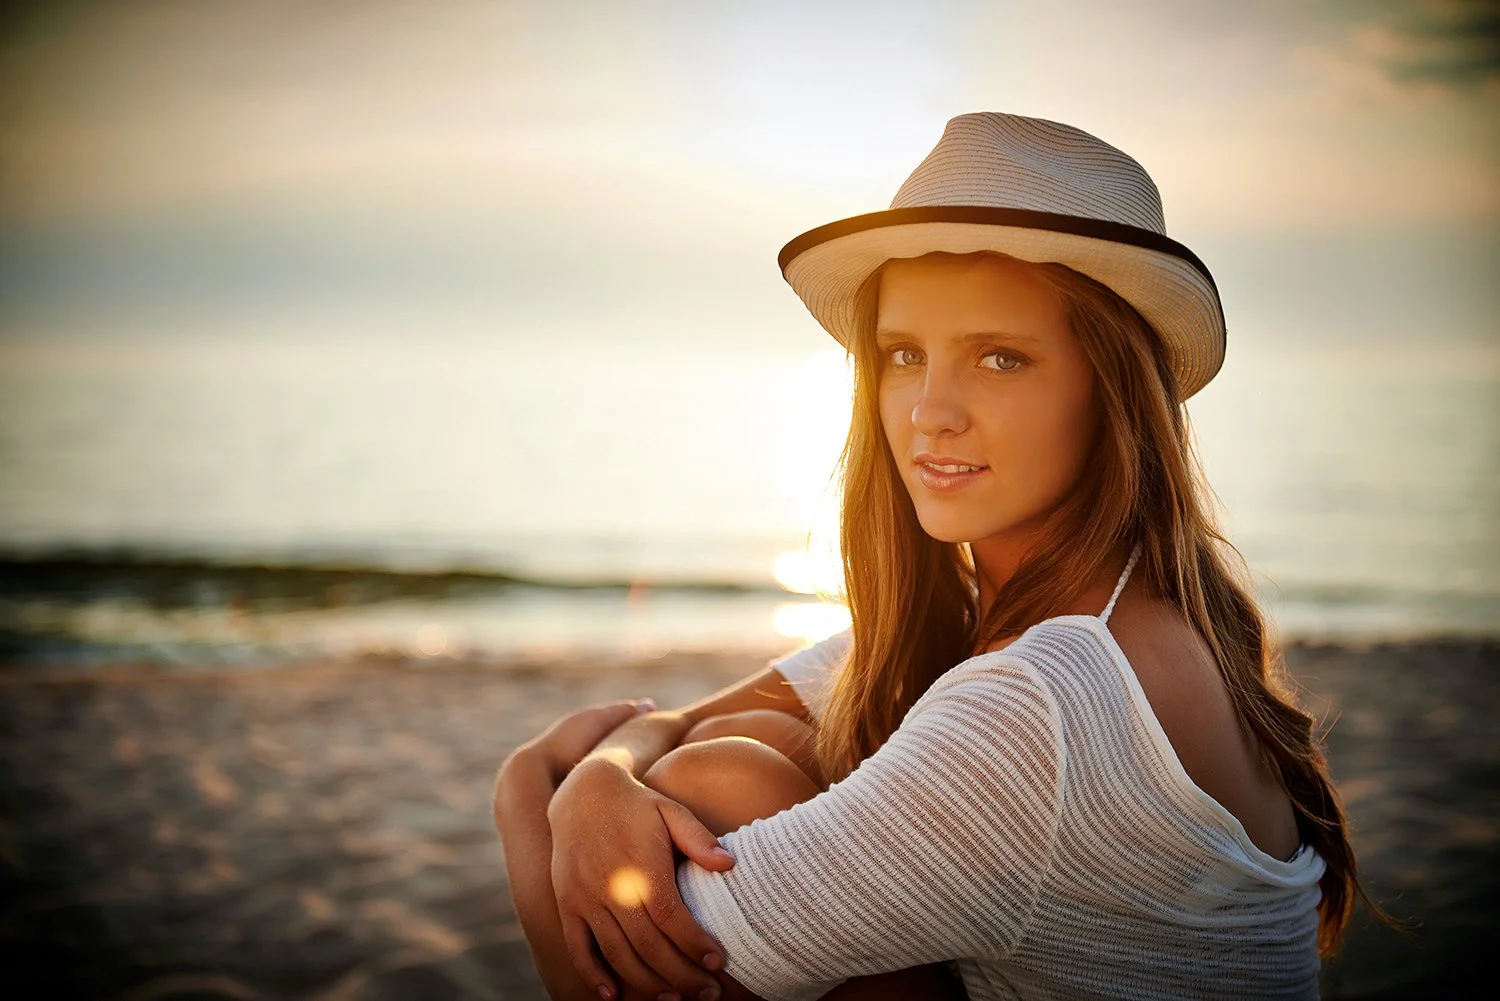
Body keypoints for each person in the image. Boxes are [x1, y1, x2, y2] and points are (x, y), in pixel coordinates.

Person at [494, 112, 1369, 1001]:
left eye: (999, 357)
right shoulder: (1062, 615)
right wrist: (601, 780)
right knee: (752, 748)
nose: (929, 411)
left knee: (715, 778)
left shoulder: (1042, 705)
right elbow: (675, 726)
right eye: (904, 354)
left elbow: (610, 973)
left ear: (1111, 394)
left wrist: (526, 786)